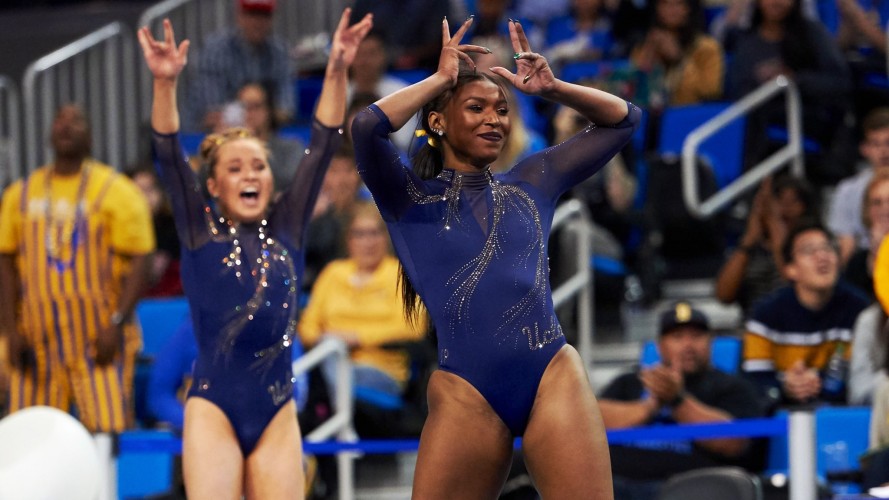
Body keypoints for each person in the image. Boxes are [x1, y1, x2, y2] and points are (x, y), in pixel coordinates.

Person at [351, 16, 640, 498]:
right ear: (438, 122)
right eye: (477, 107)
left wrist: (554, 89)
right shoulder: (408, 198)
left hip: (551, 375)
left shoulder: (533, 180)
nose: (494, 119)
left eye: (502, 110)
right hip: (467, 393)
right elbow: (365, 128)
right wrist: (439, 81)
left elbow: (625, 120)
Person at [139, 10, 372, 498]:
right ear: (214, 185)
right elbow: (165, 153)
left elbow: (324, 142)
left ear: (271, 176)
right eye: (236, 168)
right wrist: (165, 84)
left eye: (259, 166)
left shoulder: (289, 225)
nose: (250, 175)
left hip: (276, 410)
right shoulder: (199, 230)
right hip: (213, 409)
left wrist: (335, 70)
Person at [0, 104, 154, 433]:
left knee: (105, 429)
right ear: (49, 133)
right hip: (35, 336)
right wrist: (10, 330)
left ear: (91, 137)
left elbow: (142, 259)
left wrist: (117, 322)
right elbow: (5, 262)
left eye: (76, 121)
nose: (67, 127)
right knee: (28, 434)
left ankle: (105, 487)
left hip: (97, 334)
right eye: (60, 120)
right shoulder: (20, 194)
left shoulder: (117, 191)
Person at [598, 301, 764, 500]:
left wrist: (677, 400)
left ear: (710, 342)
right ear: (660, 346)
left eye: (696, 336)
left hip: (693, 487)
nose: (688, 345)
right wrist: (648, 407)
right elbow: (591, 421)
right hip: (617, 485)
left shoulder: (732, 387)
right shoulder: (631, 381)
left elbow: (734, 443)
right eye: (677, 337)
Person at [298, 201, 424, 415]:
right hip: (331, 355)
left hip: (380, 369)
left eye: (375, 233)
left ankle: (328, 424)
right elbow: (307, 327)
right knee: (328, 354)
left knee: (325, 370)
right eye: (359, 234)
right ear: (348, 240)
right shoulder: (333, 273)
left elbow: (413, 327)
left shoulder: (402, 276)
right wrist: (327, 338)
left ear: (387, 237)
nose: (368, 242)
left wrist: (357, 338)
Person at [742, 221, 870, 408]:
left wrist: (817, 382)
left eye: (828, 248)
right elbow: (753, 383)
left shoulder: (859, 310)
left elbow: (861, 377)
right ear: (790, 269)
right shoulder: (765, 316)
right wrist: (784, 386)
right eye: (809, 250)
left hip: (841, 415)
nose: (822, 257)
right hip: (781, 417)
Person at [714, 174, 819, 317]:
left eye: (794, 201)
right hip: (755, 329)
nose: (785, 207)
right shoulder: (748, 251)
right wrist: (749, 240)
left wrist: (775, 225)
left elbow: (798, 290)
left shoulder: (815, 248)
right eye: (779, 200)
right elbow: (723, 296)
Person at [191, 0, 295, 131]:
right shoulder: (216, 50)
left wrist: (254, 117)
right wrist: (255, 113)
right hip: (221, 134)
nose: (258, 22)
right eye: (252, 14)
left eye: (264, 15)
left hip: (268, 135)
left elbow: (286, 109)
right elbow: (211, 114)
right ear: (240, 15)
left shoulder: (280, 51)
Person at [629, 0, 725, 108]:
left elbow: (710, 91)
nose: (671, 9)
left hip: (691, 115)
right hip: (649, 115)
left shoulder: (708, 48)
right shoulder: (645, 46)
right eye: (665, 3)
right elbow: (632, 91)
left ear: (688, 8)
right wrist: (649, 54)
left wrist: (679, 59)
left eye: (678, 3)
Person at [827, 107, 889, 265]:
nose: (884, 152)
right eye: (876, 144)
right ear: (864, 149)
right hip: (863, 266)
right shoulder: (847, 191)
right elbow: (845, 248)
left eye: (888, 143)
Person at [230, 82, 306, 194]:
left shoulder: (291, 148)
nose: (249, 113)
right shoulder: (228, 151)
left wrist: (253, 146)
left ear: (268, 110)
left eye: (256, 106)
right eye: (244, 107)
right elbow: (205, 184)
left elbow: (290, 181)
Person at [128, 163, 184, 297]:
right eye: (138, 191)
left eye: (150, 190)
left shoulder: (173, 226)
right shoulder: (120, 230)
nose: (145, 197)